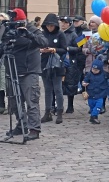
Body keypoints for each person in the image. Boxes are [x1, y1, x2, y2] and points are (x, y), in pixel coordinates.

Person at [0, 8, 48, 140]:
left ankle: (34, 129)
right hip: (12, 70)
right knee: (14, 102)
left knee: (31, 101)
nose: (18, 26)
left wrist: (28, 34)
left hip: (29, 71)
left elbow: (44, 42)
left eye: (20, 23)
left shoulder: (32, 29)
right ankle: (21, 125)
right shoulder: (8, 29)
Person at [40, 13, 67, 125]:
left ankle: (59, 111)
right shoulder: (42, 34)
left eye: (52, 26)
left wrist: (53, 50)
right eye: (48, 26)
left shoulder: (60, 34)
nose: (50, 28)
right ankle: (47, 112)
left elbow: (64, 49)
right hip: (45, 64)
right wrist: (41, 50)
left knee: (58, 89)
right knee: (47, 89)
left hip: (57, 65)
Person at [60, 16, 83, 114]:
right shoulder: (59, 33)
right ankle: (55, 105)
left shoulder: (74, 35)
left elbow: (79, 48)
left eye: (65, 23)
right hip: (60, 61)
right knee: (58, 85)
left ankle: (70, 105)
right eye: (62, 22)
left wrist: (68, 48)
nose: (63, 24)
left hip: (71, 62)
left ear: (69, 24)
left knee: (70, 84)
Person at [83, 59, 109, 124]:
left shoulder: (104, 74)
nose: (94, 71)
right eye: (93, 69)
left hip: (100, 94)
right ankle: (94, 117)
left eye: (96, 70)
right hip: (91, 94)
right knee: (92, 107)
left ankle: (93, 117)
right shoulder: (89, 74)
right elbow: (85, 81)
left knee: (98, 106)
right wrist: (84, 83)